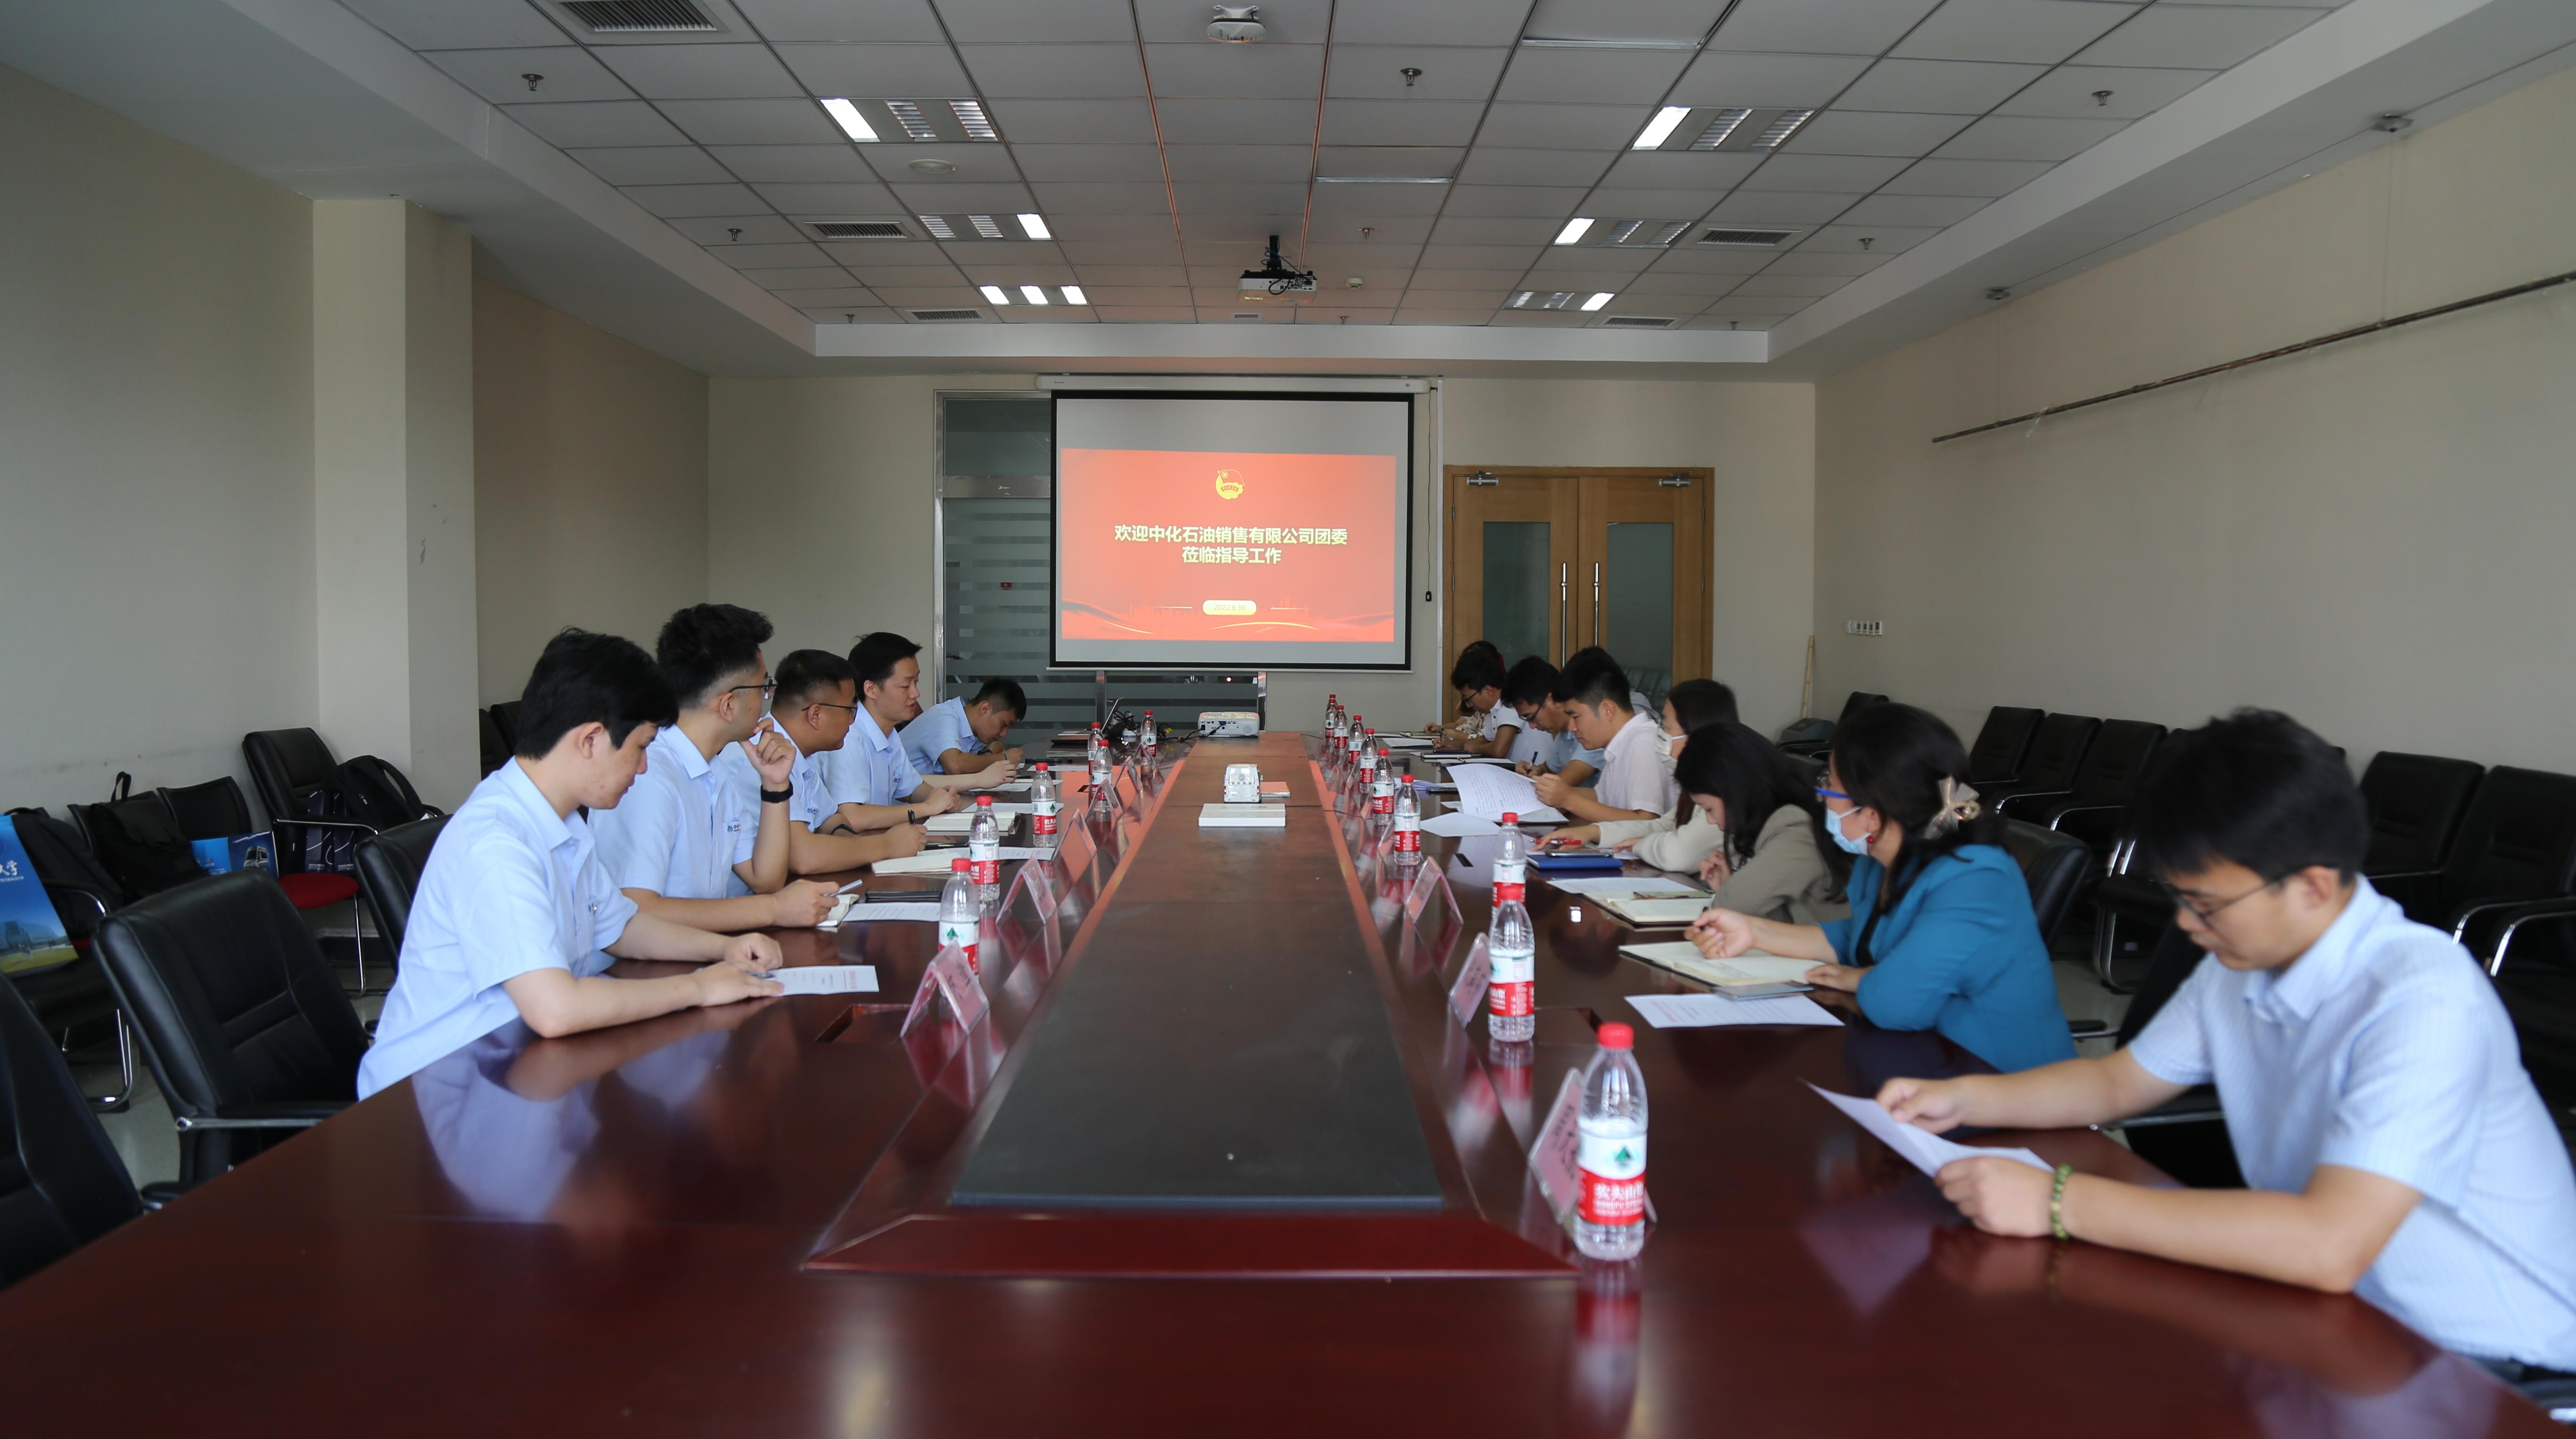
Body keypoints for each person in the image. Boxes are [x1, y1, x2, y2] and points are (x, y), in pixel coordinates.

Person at [1872, 710, 2576, 1370]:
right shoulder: (2242, 964)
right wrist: (1965, 1097)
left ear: (2312, 886)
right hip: (2342, 1313)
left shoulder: (2421, 999)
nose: (2185, 923)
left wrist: (2057, 1202)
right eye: (2180, 897)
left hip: (2485, 1355)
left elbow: (2328, 1243)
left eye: (2205, 903)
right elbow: (2116, 1082)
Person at [356, 629, 785, 1100]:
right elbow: (555, 1009)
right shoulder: (496, 843)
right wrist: (699, 988)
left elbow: (622, 927)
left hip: (518, 1068)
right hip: (437, 1095)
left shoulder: (562, 821)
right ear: (591, 740)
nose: (643, 767)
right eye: (640, 747)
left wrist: (725, 950)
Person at [1688, 702, 2072, 1072]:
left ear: (1870, 814)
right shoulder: (1885, 862)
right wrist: (1752, 931)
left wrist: (1860, 978)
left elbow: (1894, 1003)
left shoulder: (1977, 880)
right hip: (1919, 1065)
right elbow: (1853, 938)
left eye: (1829, 785)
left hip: (2001, 1083)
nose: (1822, 797)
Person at [590, 604, 838, 933]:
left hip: (706, 950)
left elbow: (765, 879)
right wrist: (775, 909)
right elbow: (637, 911)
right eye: (763, 687)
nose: (767, 698)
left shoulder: (714, 768)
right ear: (728, 705)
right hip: (643, 960)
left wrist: (776, 787)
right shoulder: (649, 775)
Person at [729, 648, 928, 875]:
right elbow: (803, 856)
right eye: (850, 709)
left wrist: (856, 848)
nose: (852, 721)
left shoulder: (802, 754)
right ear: (815, 715)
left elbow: (831, 819)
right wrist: (886, 845)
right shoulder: (757, 757)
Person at [1541, 678, 1739, 872]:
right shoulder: (1699, 780)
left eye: (1666, 726)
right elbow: (1662, 826)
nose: (1660, 733)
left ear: (1694, 733)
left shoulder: (1723, 786)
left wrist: (1639, 844)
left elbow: (1675, 853)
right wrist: (1593, 832)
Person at [819, 632, 980, 831]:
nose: (916, 693)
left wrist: (944, 798)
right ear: (871, 689)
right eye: (905, 686)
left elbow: (912, 789)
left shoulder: (889, 733)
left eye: (916, 682)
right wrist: (926, 807)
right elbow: (852, 817)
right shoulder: (849, 735)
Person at [1533, 648, 1669, 823]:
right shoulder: (1619, 744)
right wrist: (1550, 791)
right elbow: (1601, 798)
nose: (1572, 728)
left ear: (1608, 710)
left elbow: (1645, 821)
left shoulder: (1644, 743)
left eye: (1576, 717)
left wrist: (1568, 800)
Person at [901, 677, 1025, 781]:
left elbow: (996, 746)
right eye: (1004, 724)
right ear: (985, 709)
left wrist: (987, 754)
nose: (1004, 734)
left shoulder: (973, 729)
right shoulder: (945, 716)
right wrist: (1003, 759)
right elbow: (955, 766)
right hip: (903, 801)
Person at [1502, 657, 1600, 784]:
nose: (1532, 726)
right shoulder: (1563, 735)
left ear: (1552, 700)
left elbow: (1562, 783)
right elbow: (1550, 768)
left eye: (1532, 718)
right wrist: (1537, 770)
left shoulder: (1590, 728)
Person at [1435, 646, 1519, 757]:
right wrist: (1454, 745)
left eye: (1469, 699)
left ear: (1488, 691)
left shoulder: (1510, 704)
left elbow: (1498, 751)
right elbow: (1485, 740)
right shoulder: (1492, 710)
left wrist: (1472, 748)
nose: (1469, 705)